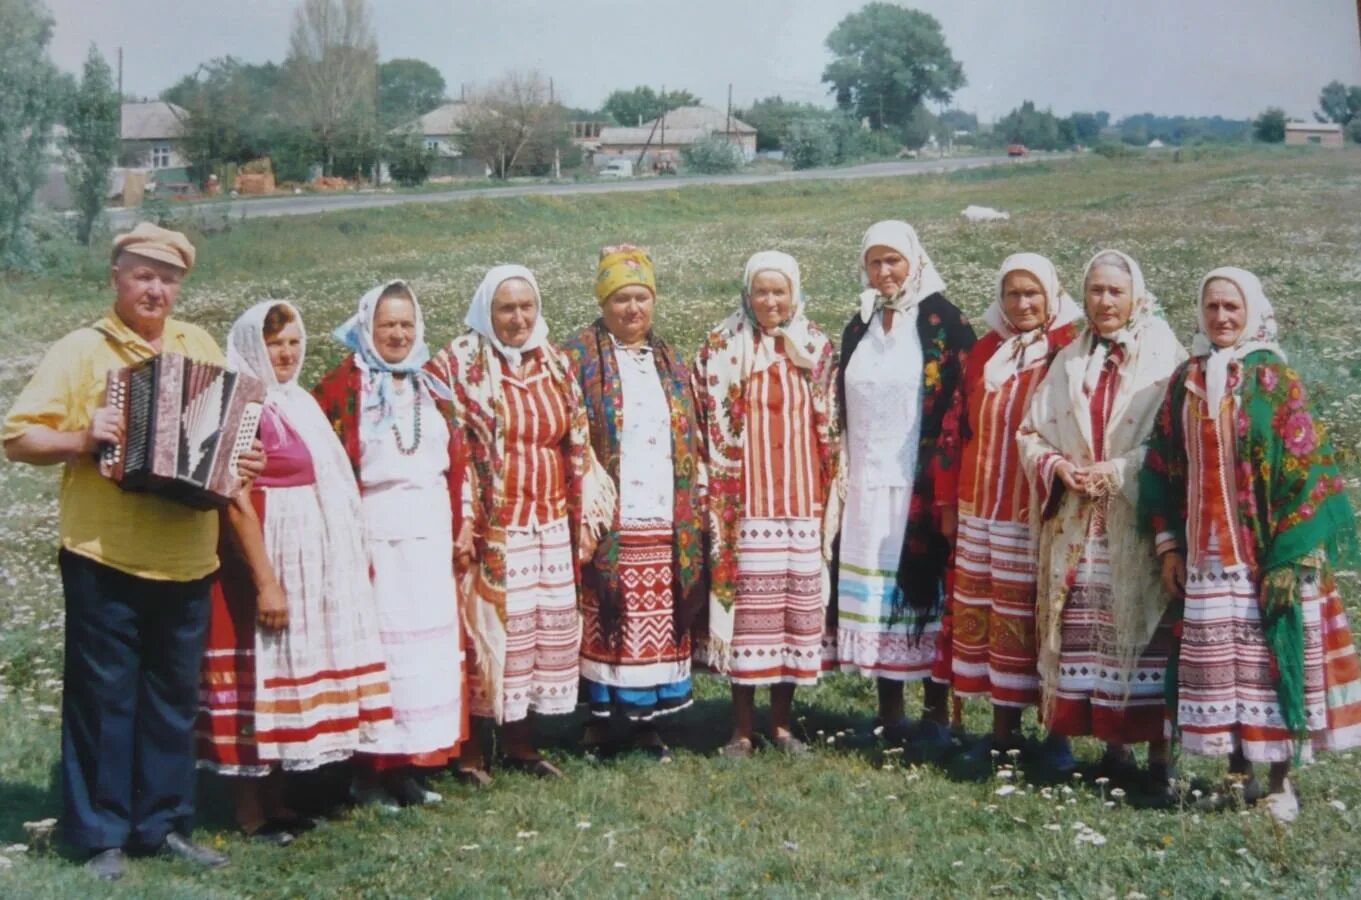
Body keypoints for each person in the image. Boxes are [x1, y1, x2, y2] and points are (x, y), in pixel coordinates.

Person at [2, 224, 263, 880]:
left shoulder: (196, 344)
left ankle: (165, 824)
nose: (156, 289)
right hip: (104, 554)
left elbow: (226, 434)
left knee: (173, 698)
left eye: (167, 278)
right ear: (116, 277)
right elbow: (17, 437)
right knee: (104, 697)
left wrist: (242, 457)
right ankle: (99, 835)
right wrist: (83, 437)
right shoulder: (82, 351)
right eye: (143, 275)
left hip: (185, 556)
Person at [1141, 267, 1361, 822]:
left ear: (1252, 312)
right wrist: (1170, 547)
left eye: (1231, 308)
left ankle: (1282, 782)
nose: (1221, 318)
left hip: (1268, 553)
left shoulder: (1275, 381)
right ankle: (1238, 777)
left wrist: (1292, 557)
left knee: (1268, 663)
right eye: (1211, 307)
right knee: (1228, 670)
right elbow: (1163, 465)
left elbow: (1307, 469)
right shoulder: (1185, 381)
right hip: (1208, 555)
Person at [196, 301, 394, 842]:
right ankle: (249, 810)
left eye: (292, 342)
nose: (285, 353)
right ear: (250, 348)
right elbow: (233, 498)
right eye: (273, 344)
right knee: (258, 675)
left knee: (285, 671)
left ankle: (280, 800)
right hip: (262, 557)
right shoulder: (242, 404)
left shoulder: (296, 401)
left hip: (308, 556)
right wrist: (265, 580)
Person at [1017, 249, 1186, 790]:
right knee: (1087, 632)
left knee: (1143, 631)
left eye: (1115, 291)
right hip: (1078, 523)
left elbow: (1171, 440)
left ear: (1136, 295)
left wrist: (1118, 470)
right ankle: (1106, 747)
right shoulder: (1069, 358)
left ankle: (1158, 758)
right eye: (1095, 291)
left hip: (1138, 522)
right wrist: (1059, 466)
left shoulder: (1165, 357)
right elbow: (1031, 431)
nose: (1105, 301)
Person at [446, 265, 616, 778]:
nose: (518, 319)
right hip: (494, 524)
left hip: (546, 520)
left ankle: (521, 744)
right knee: (488, 632)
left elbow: (577, 437)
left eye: (526, 307)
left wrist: (581, 516)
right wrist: (464, 520)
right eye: (506, 308)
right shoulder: (459, 365)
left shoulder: (555, 363)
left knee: (533, 634)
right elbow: (452, 448)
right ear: (485, 311)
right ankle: (471, 750)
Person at [313, 280, 468, 803]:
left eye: (406, 324)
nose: (398, 334)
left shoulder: (432, 386)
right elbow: (329, 467)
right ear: (366, 328)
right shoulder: (340, 388)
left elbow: (457, 462)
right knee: (379, 653)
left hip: (428, 535)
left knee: (423, 655)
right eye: (387, 325)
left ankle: (408, 765)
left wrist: (461, 523)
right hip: (374, 535)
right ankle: (368, 770)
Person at [825, 220, 975, 746]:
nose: (885, 271)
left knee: (923, 590)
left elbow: (962, 407)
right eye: (875, 261)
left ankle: (936, 714)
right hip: (865, 484)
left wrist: (945, 484)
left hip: (920, 485)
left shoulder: (945, 323)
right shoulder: (859, 325)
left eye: (894, 260)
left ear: (914, 261)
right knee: (878, 597)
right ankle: (889, 712)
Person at [563, 246, 706, 761]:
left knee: (656, 614)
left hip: (664, 511)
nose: (632, 310)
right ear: (603, 302)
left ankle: (648, 724)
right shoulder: (577, 357)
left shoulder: (669, 359)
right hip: (610, 516)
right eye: (621, 299)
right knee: (608, 611)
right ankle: (602, 723)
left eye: (641, 297)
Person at [693, 251, 837, 755]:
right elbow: (707, 425)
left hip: (800, 500)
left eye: (780, 292)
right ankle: (740, 728)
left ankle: (780, 724)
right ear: (746, 293)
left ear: (794, 293)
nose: (771, 301)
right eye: (762, 291)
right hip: (746, 504)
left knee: (789, 618)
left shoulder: (816, 346)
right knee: (749, 618)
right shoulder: (720, 346)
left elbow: (831, 424)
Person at [945, 254, 1082, 764]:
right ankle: (1003, 732)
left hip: (1040, 509)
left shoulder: (1069, 349)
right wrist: (949, 502)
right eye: (1012, 295)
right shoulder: (986, 351)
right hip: (982, 505)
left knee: (1043, 617)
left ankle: (1056, 734)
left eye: (1032, 294)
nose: (1022, 304)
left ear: (1051, 296)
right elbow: (960, 425)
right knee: (996, 618)